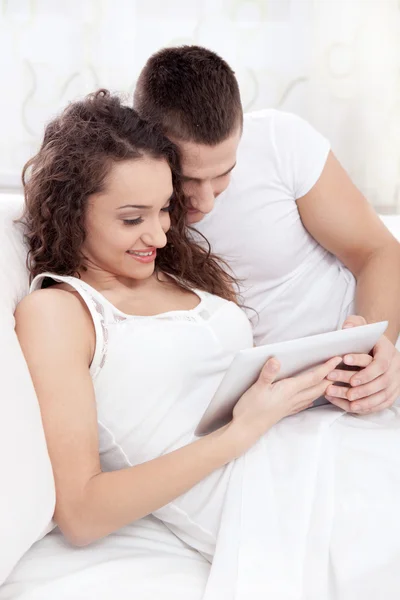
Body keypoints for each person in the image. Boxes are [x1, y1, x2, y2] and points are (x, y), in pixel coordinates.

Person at [9, 90, 400, 600]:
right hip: (270, 495)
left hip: (318, 440)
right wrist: (241, 434)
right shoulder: (60, 312)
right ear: (70, 211)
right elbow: (81, 512)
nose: (159, 233)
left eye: (164, 209)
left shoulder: (173, 273)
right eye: (133, 218)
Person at [134, 45, 400, 416]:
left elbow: (378, 251)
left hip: (370, 367)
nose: (206, 200)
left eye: (224, 173)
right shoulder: (130, 215)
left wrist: (379, 346)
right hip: (268, 407)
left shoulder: (280, 140)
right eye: (187, 179)